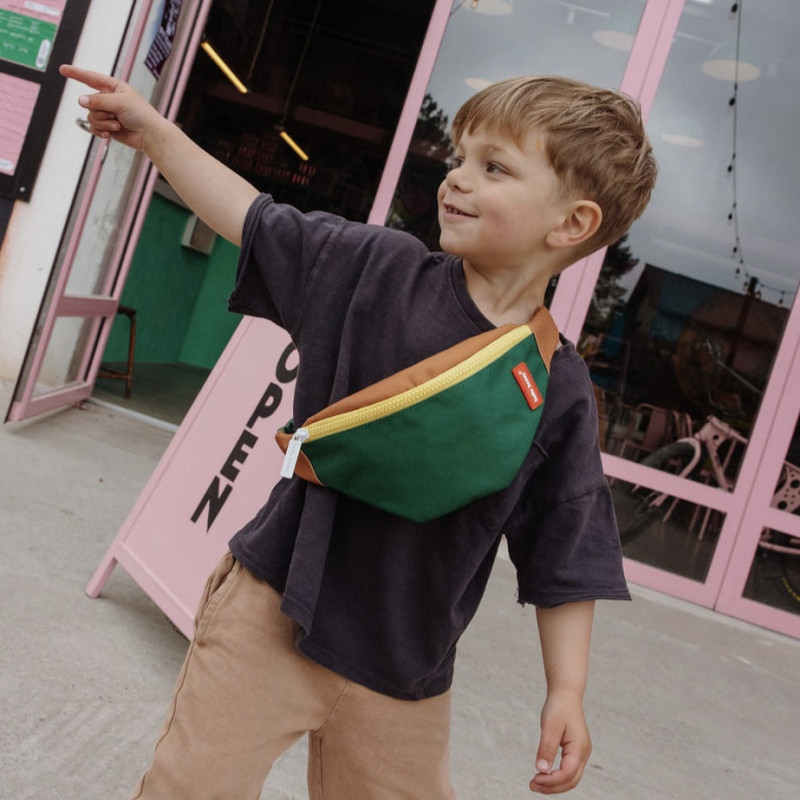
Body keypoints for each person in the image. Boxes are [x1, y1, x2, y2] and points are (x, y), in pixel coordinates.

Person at [60, 63, 656, 799]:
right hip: (271, 612)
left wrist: (567, 690)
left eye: (493, 167)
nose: (456, 179)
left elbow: (568, 546)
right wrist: (155, 134)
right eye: (459, 157)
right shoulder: (376, 269)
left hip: (406, 672)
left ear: (572, 224)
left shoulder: (557, 388)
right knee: (189, 788)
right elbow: (254, 219)